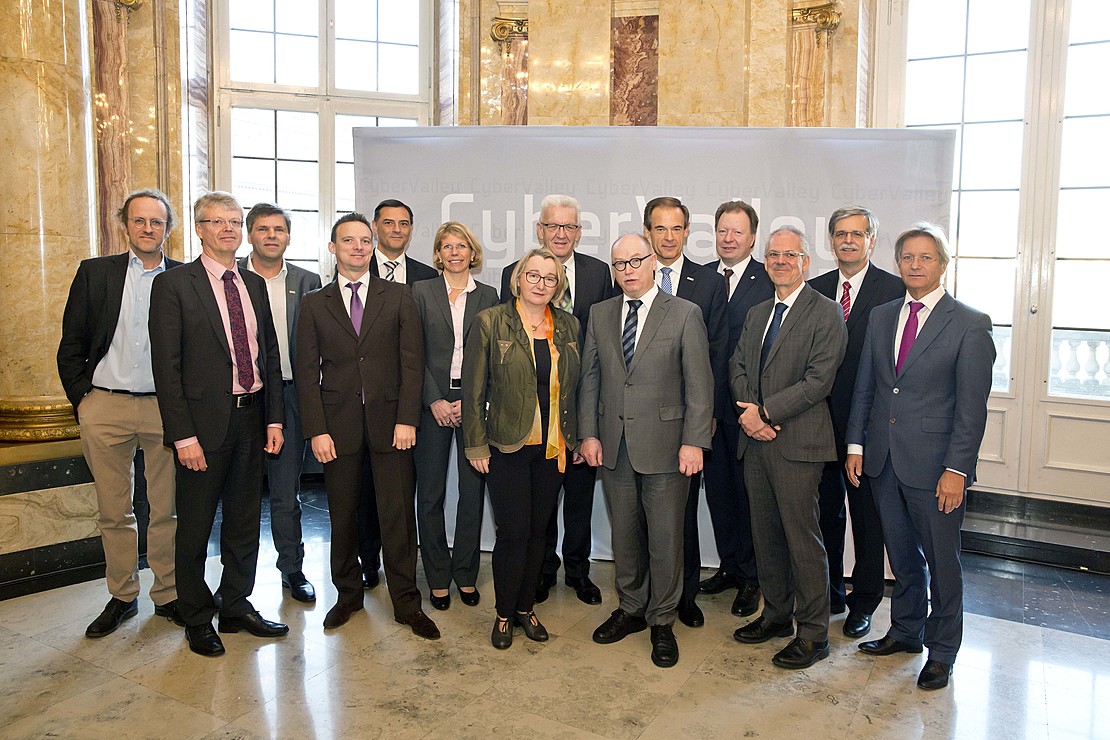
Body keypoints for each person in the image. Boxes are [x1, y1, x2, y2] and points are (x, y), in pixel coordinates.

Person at [846, 222, 995, 691]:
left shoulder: (970, 324)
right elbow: (868, 386)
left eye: (925, 257)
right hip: (883, 460)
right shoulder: (882, 316)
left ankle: (943, 652)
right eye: (907, 257)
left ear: (943, 265)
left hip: (936, 468)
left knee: (943, 563)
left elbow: (971, 410)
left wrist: (957, 470)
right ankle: (906, 631)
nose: (915, 265)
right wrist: (856, 444)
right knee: (901, 555)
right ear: (897, 263)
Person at [150, 191, 288, 657]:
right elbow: (166, 369)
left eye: (234, 221)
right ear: (199, 229)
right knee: (195, 526)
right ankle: (195, 616)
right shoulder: (174, 285)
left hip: (252, 418)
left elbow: (269, 356)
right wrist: (182, 435)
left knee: (245, 522)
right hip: (201, 428)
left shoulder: (253, 284)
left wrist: (274, 418)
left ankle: (235, 605)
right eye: (217, 221)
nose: (228, 228)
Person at [295, 213, 440, 639]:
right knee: (342, 517)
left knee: (397, 518)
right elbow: (306, 371)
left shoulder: (398, 296)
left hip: (392, 426)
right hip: (336, 428)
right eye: (348, 240)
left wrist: (407, 419)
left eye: (364, 240)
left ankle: (407, 603)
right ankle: (348, 596)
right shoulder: (314, 303)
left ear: (372, 246)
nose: (358, 247)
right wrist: (316, 429)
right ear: (333, 248)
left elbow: (412, 364)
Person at [579, 233, 714, 668]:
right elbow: (590, 379)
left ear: (653, 261)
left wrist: (694, 441)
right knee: (625, 535)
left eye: (636, 260)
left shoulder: (685, 313)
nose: (628, 270)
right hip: (614, 445)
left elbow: (700, 385)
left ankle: (662, 620)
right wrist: (588, 434)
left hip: (668, 447)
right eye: (619, 264)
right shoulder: (600, 313)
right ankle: (632, 608)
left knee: (666, 538)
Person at [57, 188, 183, 637]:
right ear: (124, 224)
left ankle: (168, 594)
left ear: (168, 228)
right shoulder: (95, 273)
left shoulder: (184, 277)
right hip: (105, 405)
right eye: (139, 220)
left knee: (167, 509)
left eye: (156, 221)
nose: (147, 228)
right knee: (114, 510)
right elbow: (72, 342)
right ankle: (123, 595)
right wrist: (84, 400)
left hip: (165, 409)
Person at [729, 226, 847, 670]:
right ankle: (776, 615)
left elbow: (818, 381)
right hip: (755, 442)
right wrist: (750, 416)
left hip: (798, 444)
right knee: (766, 536)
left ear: (805, 262)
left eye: (789, 255)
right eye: (773, 254)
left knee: (803, 540)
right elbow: (737, 365)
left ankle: (813, 634)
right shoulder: (758, 312)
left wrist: (765, 413)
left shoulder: (826, 312)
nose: (780, 261)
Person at [499, 194, 616, 606]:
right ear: (540, 229)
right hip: (536, 413)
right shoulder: (516, 274)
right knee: (542, 502)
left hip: (583, 405)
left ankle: (579, 572)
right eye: (553, 226)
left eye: (569, 226)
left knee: (580, 499)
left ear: (579, 232)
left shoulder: (599, 273)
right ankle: (543, 569)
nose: (561, 234)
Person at [464, 248, 581, 649]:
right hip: (506, 445)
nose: (540, 284)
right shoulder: (490, 321)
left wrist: (577, 437)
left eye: (550, 278)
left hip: (553, 448)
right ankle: (503, 614)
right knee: (513, 533)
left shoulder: (568, 325)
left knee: (538, 534)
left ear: (558, 285)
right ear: (518, 279)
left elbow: (576, 388)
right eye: (533, 275)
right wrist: (476, 445)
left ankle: (526, 608)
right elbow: (474, 390)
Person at [808, 206, 904, 638]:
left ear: (871, 240)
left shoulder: (895, 290)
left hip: (867, 427)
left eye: (857, 234)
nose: (848, 241)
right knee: (823, 513)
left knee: (867, 517)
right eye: (841, 234)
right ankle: (830, 592)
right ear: (831, 240)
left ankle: (864, 601)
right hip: (818, 424)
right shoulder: (814, 289)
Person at [641, 196, 728, 629]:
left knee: (682, 513)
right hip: (640, 420)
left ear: (688, 231)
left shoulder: (709, 282)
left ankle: (685, 595)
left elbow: (716, 353)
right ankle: (645, 595)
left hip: (687, 421)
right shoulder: (630, 275)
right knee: (641, 516)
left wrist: (704, 417)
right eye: (660, 228)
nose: (668, 237)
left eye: (676, 228)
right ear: (647, 232)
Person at [412, 222, 498, 610]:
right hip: (432, 402)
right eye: (447, 246)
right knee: (430, 494)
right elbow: (412, 351)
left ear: (472, 252)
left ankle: (465, 574)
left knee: (471, 493)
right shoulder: (421, 292)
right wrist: (433, 399)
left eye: (461, 245)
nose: (454, 252)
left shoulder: (489, 295)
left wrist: (474, 401)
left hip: (473, 401)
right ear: (438, 254)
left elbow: (494, 354)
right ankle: (437, 578)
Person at [240, 202, 322, 604]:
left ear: (288, 236)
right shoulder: (230, 278)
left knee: (286, 492)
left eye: (279, 229)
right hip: (242, 397)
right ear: (249, 234)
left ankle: (292, 568)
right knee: (236, 494)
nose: (271, 236)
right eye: (263, 228)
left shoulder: (309, 282)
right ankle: (234, 580)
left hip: (291, 395)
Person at [699, 199, 774, 619]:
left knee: (749, 498)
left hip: (748, 409)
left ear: (752, 237)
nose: (728, 238)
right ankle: (729, 566)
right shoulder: (701, 278)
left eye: (737, 232)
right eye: (722, 230)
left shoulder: (768, 281)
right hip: (708, 410)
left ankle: (752, 577)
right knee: (719, 494)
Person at [358, 199, 437, 588]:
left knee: (405, 492)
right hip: (369, 399)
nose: (396, 230)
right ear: (375, 227)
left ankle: (404, 567)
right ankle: (368, 559)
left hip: (415, 398)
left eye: (404, 223)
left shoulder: (426, 276)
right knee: (367, 490)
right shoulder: (356, 269)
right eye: (388, 223)